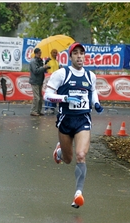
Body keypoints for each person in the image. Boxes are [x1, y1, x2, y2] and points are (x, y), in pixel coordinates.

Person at [43, 42, 104, 209]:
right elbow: (47, 95)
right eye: (75, 53)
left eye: (82, 53)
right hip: (66, 120)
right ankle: (60, 151)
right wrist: (65, 99)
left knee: (81, 155)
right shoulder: (62, 74)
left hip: (83, 119)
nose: (79, 56)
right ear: (70, 57)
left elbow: (93, 92)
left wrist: (96, 103)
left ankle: (78, 194)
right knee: (68, 159)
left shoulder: (90, 76)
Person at [29, 47, 50, 116]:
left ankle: (38, 110)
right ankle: (33, 110)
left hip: (40, 81)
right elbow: (36, 71)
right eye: (38, 53)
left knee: (40, 97)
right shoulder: (33, 61)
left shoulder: (39, 60)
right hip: (34, 81)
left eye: (40, 53)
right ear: (35, 53)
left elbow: (41, 70)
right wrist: (43, 67)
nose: (40, 55)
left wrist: (45, 64)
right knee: (36, 97)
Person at [44, 49, 61, 114]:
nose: (55, 54)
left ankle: (52, 108)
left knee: (54, 94)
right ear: (51, 53)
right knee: (49, 93)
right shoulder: (48, 60)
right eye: (54, 53)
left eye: (56, 53)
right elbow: (45, 69)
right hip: (49, 79)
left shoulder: (56, 61)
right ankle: (46, 108)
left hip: (56, 80)